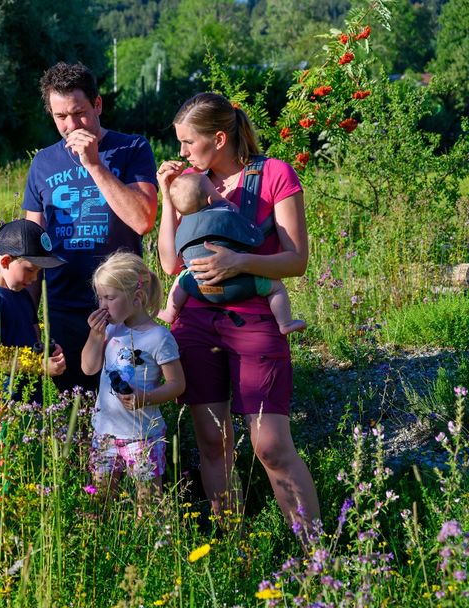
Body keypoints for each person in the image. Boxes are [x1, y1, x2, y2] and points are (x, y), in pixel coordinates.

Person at [156, 92, 320, 534]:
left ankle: (316, 555)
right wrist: (167, 200)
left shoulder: (274, 175)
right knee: (212, 439)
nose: (183, 153)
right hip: (196, 322)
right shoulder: (190, 183)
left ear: (220, 137)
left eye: (189, 143)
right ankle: (235, 547)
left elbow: (297, 260)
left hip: (256, 318)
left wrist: (240, 262)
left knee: (270, 444)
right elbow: (172, 264)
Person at [22, 61, 158, 393]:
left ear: (97, 105)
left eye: (79, 112)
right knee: (73, 410)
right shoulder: (43, 162)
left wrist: (94, 163)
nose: (71, 125)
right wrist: (28, 319)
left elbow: (143, 220)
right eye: (60, 117)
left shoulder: (132, 149)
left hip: (121, 307)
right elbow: (30, 246)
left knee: (125, 405)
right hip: (62, 307)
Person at [81, 251, 185, 513]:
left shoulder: (159, 337)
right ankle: (101, 544)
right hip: (105, 431)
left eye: (110, 298)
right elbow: (88, 367)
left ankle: (148, 549)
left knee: (147, 502)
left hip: (142, 435)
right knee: (101, 499)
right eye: (100, 297)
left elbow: (177, 384)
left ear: (137, 298)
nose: (102, 305)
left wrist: (145, 398)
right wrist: (95, 336)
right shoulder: (111, 329)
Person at [160, 173, 306, 335]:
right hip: (237, 285)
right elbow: (252, 236)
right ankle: (285, 322)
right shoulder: (226, 214)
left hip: (199, 286)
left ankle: (170, 312)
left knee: (181, 278)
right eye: (215, 191)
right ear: (210, 199)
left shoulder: (182, 227)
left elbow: (175, 260)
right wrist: (232, 207)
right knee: (276, 287)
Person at [0, 219, 68, 400]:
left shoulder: (22, 294)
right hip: (3, 404)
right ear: (5, 261)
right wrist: (39, 366)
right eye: (30, 270)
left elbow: (32, 340)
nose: (35, 278)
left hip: (30, 396)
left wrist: (47, 352)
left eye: (38, 271)